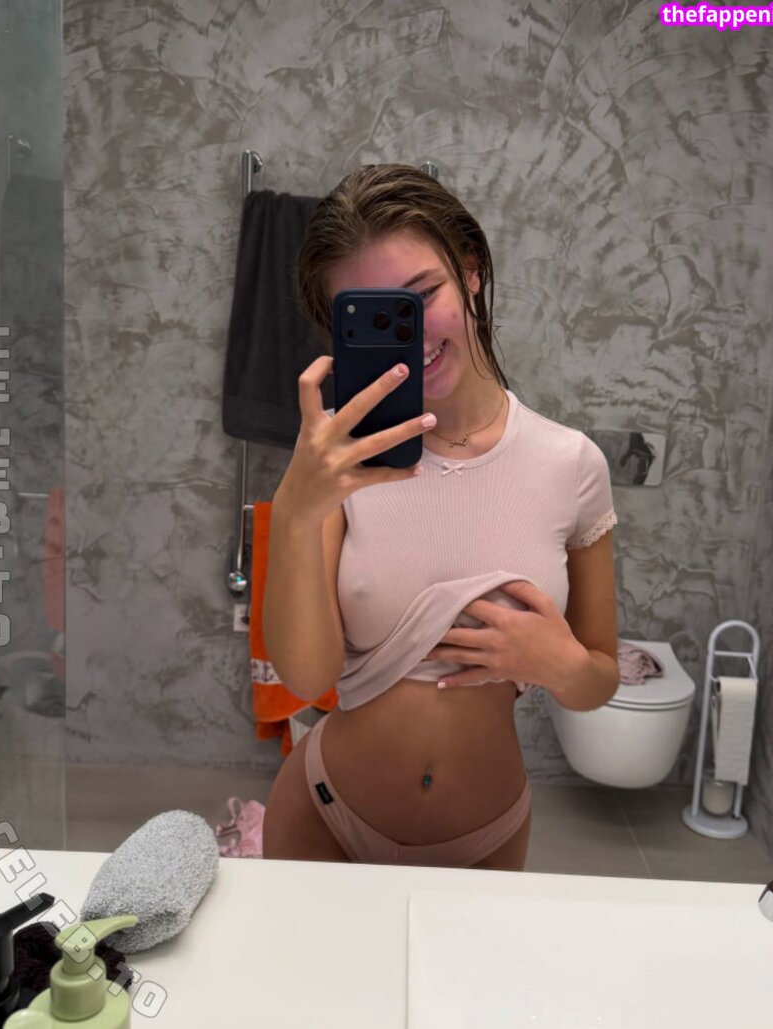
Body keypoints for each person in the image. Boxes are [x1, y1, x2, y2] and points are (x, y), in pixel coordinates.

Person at [261, 163, 619, 871]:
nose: (412, 333)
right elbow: (305, 676)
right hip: (323, 816)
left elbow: (600, 679)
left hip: (485, 837)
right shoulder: (336, 460)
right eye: (374, 315)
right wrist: (296, 511)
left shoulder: (571, 464)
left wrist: (561, 664)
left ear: (471, 271)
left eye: (422, 294)